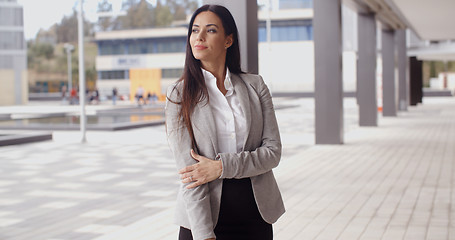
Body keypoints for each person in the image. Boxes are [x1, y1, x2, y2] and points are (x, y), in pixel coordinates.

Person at [165, 5, 284, 240]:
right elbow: (191, 174)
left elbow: (273, 153)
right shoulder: (179, 94)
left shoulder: (255, 86)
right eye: (194, 30)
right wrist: (204, 234)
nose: (199, 37)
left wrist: (220, 167)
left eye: (210, 30)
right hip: (203, 219)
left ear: (228, 40)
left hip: (256, 216)